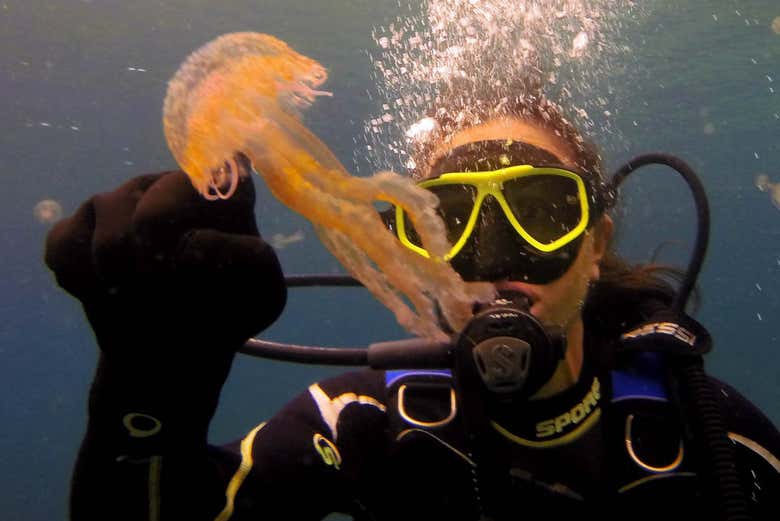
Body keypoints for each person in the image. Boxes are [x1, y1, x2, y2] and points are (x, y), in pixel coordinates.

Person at [45, 92, 779, 521]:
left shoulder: (711, 437)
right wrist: (148, 390)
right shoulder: (367, 418)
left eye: (541, 212)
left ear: (595, 244)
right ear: (415, 248)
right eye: (450, 218)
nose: (497, 255)